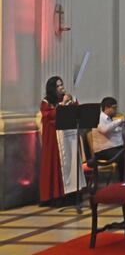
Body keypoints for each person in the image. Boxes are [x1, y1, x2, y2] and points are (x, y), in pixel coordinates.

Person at [39, 76, 78, 206]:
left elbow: (75, 112)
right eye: (58, 85)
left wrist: (72, 102)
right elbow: (49, 116)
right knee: (54, 165)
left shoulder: (64, 99)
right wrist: (62, 105)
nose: (61, 87)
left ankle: (70, 194)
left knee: (69, 165)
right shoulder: (46, 102)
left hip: (66, 137)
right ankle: (54, 196)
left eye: (62, 84)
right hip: (53, 139)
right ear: (52, 88)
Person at [92, 97, 125, 180]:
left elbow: (115, 131)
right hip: (103, 151)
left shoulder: (109, 119)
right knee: (124, 156)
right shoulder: (98, 118)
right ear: (106, 108)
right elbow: (104, 130)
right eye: (114, 108)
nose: (116, 110)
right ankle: (123, 181)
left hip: (112, 149)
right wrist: (119, 121)